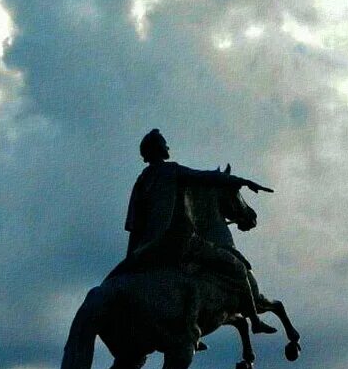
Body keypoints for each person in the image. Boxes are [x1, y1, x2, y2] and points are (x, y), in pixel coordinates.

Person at [113, 129, 276, 335]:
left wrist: (132, 257)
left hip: (148, 249)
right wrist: (240, 181)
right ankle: (254, 320)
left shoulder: (141, 181)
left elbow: (134, 224)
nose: (168, 147)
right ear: (157, 149)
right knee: (237, 269)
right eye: (164, 143)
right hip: (179, 243)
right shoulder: (170, 170)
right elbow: (205, 177)